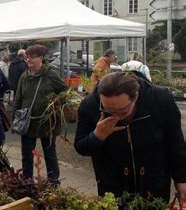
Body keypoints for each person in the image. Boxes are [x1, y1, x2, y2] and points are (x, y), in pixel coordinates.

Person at [75, 71, 186, 202]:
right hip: (112, 187)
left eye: (122, 111)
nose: (115, 116)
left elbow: (175, 143)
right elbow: (81, 147)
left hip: (154, 185)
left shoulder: (160, 100)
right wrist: (97, 135)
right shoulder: (90, 105)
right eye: (108, 111)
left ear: (136, 96)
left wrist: (181, 179)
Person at [13, 44, 67, 181]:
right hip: (28, 122)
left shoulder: (50, 74)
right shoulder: (24, 77)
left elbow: (65, 90)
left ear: (41, 58)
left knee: (49, 152)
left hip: (47, 122)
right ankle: (27, 179)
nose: (28, 60)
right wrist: (15, 118)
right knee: (26, 153)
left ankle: (53, 180)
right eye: (27, 57)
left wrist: (56, 100)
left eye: (32, 57)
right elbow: (18, 98)